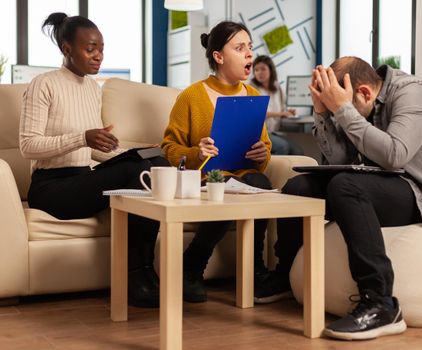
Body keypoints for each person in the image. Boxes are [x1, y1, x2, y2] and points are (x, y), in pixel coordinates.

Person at [256, 56, 422, 340]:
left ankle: (382, 302)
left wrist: (341, 109)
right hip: (383, 182)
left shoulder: (413, 94)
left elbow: (394, 155)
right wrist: (322, 112)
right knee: (299, 187)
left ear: (365, 92)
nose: (343, 113)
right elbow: (340, 157)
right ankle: (283, 276)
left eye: (347, 104)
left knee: (345, 186)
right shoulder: (361, 100)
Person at [19, 12, 169, 308]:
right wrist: (81, 137)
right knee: (139, 170)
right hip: (50, 188)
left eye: (101, 48)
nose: (98, 56)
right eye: (90, 49)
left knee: (151, 165)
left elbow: (95, 150)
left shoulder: (91, 88)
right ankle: (135, 276)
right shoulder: (43, 84)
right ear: (66, 49)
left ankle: (145, 270)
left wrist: (130, 152)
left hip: (82, 178)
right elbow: (27, 146)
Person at [161, 21, 273, 303]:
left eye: (250, 47)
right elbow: (169, 146)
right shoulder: (191, 96)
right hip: (209, 177)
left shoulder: (253, 96)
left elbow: (265, 144)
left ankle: (255, 269)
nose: (249, 54)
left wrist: (263, 153)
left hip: (244, 174)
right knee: (220, 184)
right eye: (239, 48)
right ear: (218, 57)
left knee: (261, 182)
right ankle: (192, 266)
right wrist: (196, 152)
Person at [250, 55, 303, 155]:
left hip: (274, 132)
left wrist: (288, 112)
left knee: (298, 151)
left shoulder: (277, 87)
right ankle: (272, 170)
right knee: (283, 146)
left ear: (271, 70)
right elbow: (258, 114)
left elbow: (282, 108)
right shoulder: (251, 88)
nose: (259, 73)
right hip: (259, 134)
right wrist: (281, 114)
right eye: (256, 70)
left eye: (263, 69)